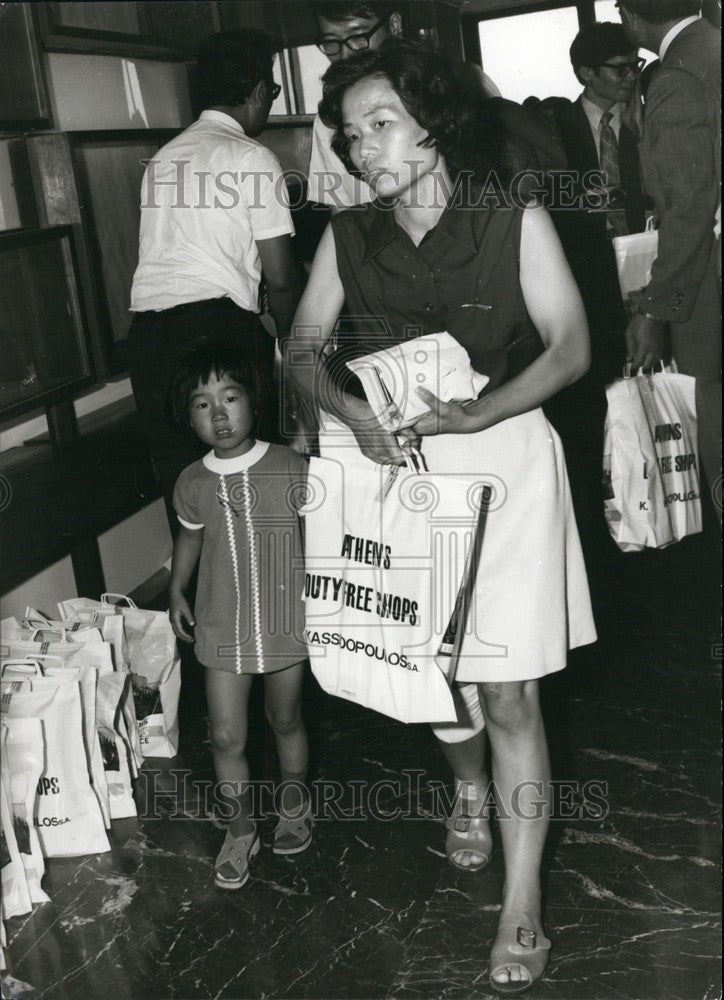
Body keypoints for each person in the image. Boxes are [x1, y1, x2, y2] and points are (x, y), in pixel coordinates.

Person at [285, 38, 596, 994]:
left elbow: (572, 347)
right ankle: (467, 788)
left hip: (502, 464)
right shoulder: (348, 235)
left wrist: (479, 411)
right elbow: (298, 346)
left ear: (435, 125)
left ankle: (521, 901)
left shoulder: (512, 218)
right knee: (426, 670)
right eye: (350, 132)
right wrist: (346, 412)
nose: (362, 146)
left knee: (507, 690)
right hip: (395, 470)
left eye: (381, 124)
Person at [128, 29, 303, 527]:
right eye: (272, 89)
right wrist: (297, 351)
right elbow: (284, 279)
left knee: (186, 494)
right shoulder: (250, 157)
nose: (270, 100)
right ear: (254, 93)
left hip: (148, 341)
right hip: (217, 335)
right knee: (252, 488)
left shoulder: (162, 159)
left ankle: (202, 601)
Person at [168, 342, 311, 889]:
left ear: (254, 400)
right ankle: (241, 827)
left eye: (230, 397)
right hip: (220, 624)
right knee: (226, 737)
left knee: (286, 720)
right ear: (188, 416)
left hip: (284, 622)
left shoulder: (289, 465)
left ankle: (295, 806)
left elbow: (323, 537)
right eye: (203, 405)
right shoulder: (192, 481)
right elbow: (189, 536)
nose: (219, 414)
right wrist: (177, 589)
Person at [533, 23, 649, 560]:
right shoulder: (555, 128)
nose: (630, 78)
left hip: (648, 267)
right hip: (590, 280)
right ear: (586, 74)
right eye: (619, 70)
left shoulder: (649, 118)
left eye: (635, 68)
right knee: (600, 394)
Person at [307, 1, 565, 212]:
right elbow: (341, 208)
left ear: (394, 24)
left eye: (357, 36)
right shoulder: (331, 118)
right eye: (331, 42)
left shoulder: (451, 87)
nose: (346, 54)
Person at [617, 0, 721, 520]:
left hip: (711, 286)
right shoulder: (713, 49)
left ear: (631, 14)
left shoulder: (677, 75)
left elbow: (687, 208)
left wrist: (655, 309)